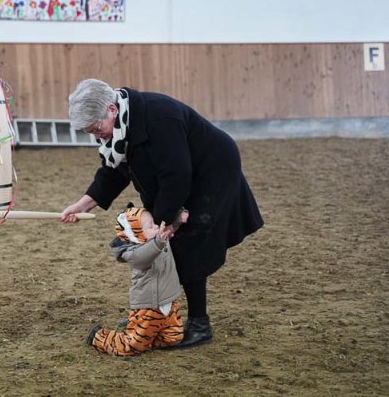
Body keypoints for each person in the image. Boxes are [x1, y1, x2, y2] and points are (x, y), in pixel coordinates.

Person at [61, 78, 264, 349]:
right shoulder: (119, 130)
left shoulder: (159, 118)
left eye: (97, 129)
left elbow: (176, 176)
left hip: (212, 171)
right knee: (163, 244)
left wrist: (162, 222)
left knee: (187, 242)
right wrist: (83, 204)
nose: (97, 137)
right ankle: (153, 315)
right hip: (180, 175)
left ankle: (199, 325)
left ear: (111, 109)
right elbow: (114, 172)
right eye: (90, 133)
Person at [87, 204, 188, 356]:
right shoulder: (135, 253)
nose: (156, 227)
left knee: (173, 338)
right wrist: (159, 241)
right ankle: (99, 337)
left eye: (154, 223)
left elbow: (168, 229)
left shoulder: (158, 238)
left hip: (169, 303)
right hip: (149, 306)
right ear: (137, 235)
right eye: (150, 226)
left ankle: (137, 326)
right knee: (131, 346)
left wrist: (178, 218)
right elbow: (145, 255)